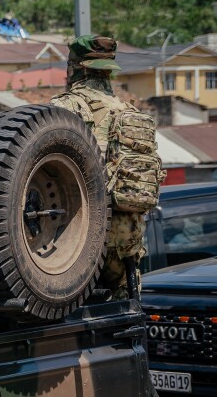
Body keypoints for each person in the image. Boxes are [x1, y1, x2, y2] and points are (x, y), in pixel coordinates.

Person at [50, 35, 161, 300]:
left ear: (76, 67)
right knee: (126, 320)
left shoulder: (63, 108)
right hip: (128, 238)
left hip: (81, 238)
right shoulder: (129, 110)